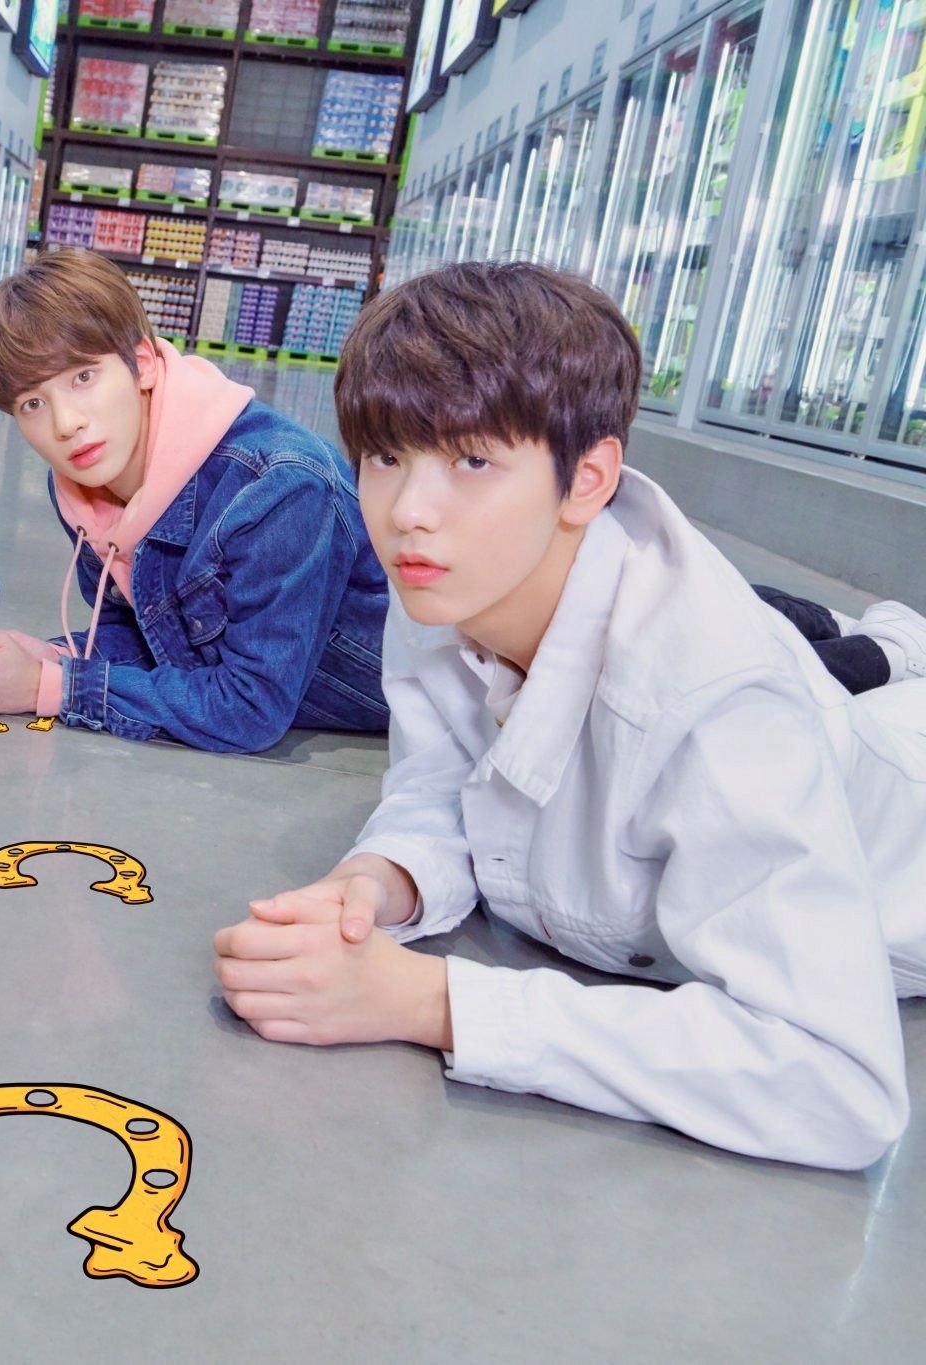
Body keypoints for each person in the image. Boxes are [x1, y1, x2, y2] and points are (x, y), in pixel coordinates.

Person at [213, 262, 926, 1169]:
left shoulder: (721, 705)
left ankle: (895, 642)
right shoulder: (446, 579)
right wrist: (383, 878)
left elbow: (838, 1083)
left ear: (588, 479)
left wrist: (433, 1001)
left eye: (473, 460)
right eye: (386, 456)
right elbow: (446, 777)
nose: (407, 513)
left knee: (845, 677)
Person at [0, 247, 391, 750]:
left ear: (142, 364)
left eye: (83, 377)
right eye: (33, 403)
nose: (66, 423)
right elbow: (151, 638)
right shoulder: (84, 486)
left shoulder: (279, 486)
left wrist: (57, 688)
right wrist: (57, 657)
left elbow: (251, 708)